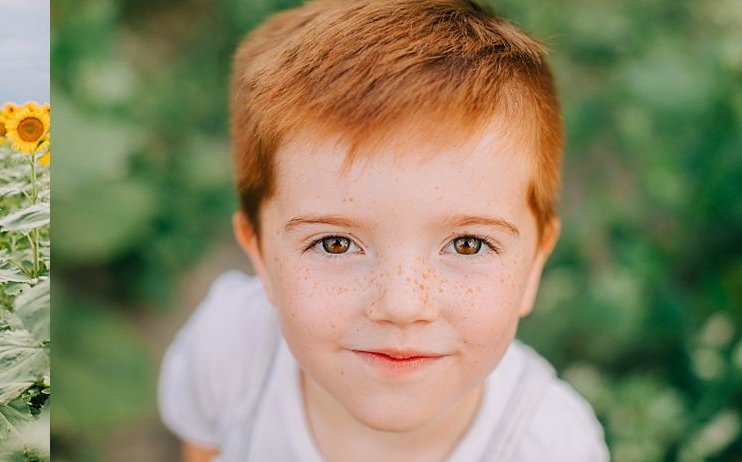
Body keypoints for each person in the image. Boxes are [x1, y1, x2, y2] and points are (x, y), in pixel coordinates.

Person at [157, 0, 610, 461]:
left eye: (467, 244)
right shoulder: (231, 347)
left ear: (534, 264)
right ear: (259, 254)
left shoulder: (552, 447)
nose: (402, 305)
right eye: (335, 244)